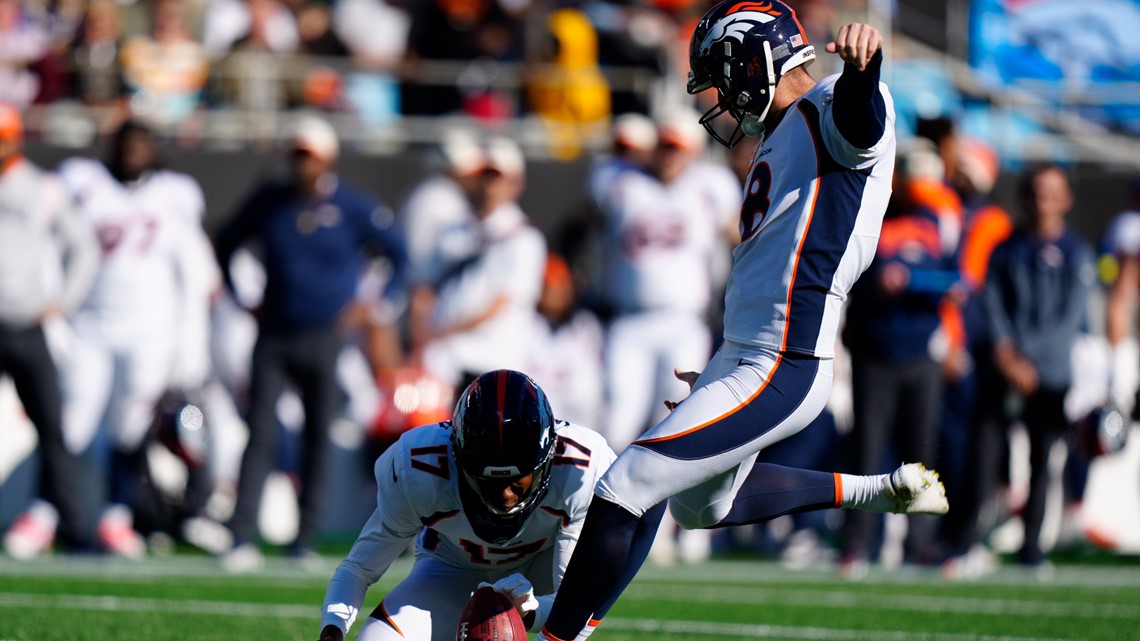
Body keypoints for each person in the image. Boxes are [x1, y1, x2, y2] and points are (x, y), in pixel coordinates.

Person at [535, 6, 947, 641]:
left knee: (624, 487)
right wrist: (722, 369)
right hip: (747, 354)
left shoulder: (834, 101)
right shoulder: (782, 132)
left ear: (754, 58)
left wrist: (865, 70)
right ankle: (876, 490)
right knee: (699, 507)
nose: (722, 96)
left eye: (723, 75)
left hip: (783, 361)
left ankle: (557, 637)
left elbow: (861, 124)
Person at [213, 114, 408, 569]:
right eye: (296, 155)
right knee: (260, 433)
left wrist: (372, 306)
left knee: (317, 435)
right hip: (275, 331)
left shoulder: (353, 206)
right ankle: (241, 536)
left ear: (327, 160)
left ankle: (304, 539)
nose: (302, 165)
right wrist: (241, 296)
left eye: (310, 156)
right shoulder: (270, 201)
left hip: (324, 335)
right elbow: (226, 240)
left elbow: (398, 254)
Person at [316, 369, 621, 641]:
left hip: (541, 569)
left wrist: (531, 611)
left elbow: (574, 606)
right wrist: (332, 629)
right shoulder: (417, 469)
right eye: (489, 481)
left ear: (547, 459)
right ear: (458, 459)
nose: (505, 495)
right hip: (451, 569)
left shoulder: (581, 470)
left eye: (517, 480)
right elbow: (358, 568)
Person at [55, 119, 218, 558]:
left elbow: (195, 272)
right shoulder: (82, 182)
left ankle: (117, 515)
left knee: (129, 427)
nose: (131, 151)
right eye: (124, 143)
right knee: (72, 422)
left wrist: (191, 345)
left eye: (140, 143)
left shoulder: (174, 193)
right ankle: (49, 512)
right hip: (89, 324)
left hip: (150, 329)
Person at [839, 140, 963, 573]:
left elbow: (956, 278)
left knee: (921, 449)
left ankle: (919, 541)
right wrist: (882, 281)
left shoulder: (940, 220)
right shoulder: (872, 215)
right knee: (867, 450)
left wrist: (910, 279)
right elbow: (853, 272)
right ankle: (858, 540)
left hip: (921, 346)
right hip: (876, 347)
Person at [970, 164, 1094, 573]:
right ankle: (972, 540)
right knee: (986, 453)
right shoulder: (1007, 249)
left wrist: (1023, 356)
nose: (1043, 200)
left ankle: (1031, 549)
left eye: (1052, 192)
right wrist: (1006, 354)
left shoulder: (1078, 254)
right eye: (1037, 191)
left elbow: (1068, 321)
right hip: (1004, 370)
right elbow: (990, 301)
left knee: (1043, 462)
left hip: (1049, 375)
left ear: (1066, 199)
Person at [0, 104, 100, 558]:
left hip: (25, 324)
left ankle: (75, 530)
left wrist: (63, 302)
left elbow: (84, 247)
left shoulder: (43, 188)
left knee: (53, 429)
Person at [410, 136, 546, 392]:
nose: (487, 184)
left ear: (515, 183)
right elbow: (424, 285)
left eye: (495, 176)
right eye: (482, 175)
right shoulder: (453, 229)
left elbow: (506, 301)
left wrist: (447, 330)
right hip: (444, 360)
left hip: (493, 362)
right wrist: (422, 333)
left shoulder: (524, 237)